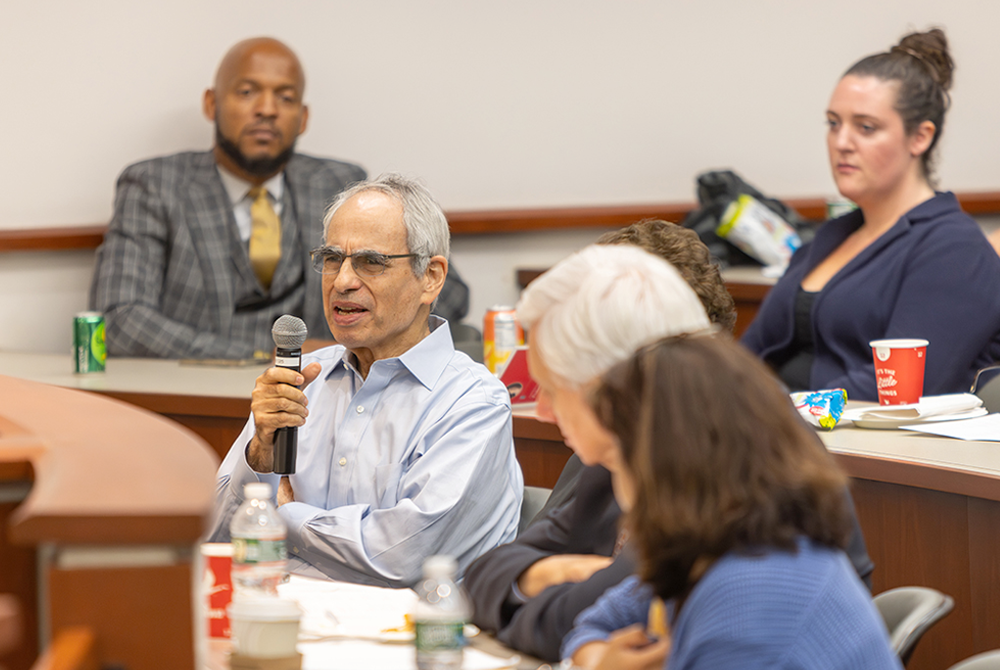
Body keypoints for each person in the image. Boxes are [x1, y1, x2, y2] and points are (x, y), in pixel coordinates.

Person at [463, 226, 873, 663]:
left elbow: (572, 621)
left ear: (610, 386)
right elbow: (598, 617)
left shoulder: (738, 541)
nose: (542, 411)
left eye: (554, 388)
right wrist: (586, 632)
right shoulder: (639, 450)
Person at [207, 174, 521, 588]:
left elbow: (403, 558)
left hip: (403, 642)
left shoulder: (472, 403)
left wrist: (287, 517)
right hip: (276, 614)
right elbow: (213, 537)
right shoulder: (304, 380)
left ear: (430, 277)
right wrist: (258, 458)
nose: (342, 281)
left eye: (371, 262)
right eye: (332, 258)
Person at [90, 37, 469, 359]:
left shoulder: (338, 183)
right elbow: (120, 320)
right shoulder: (154, 185)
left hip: (324, 397)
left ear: (302, 118)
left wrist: (360, 344)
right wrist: (266, 357)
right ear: (211, 103)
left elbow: (445, 291)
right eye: (247, 92)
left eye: (285, 98)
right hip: (201, 397)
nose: (267, 110)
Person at [562, 336, 900, 670]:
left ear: (658, 468)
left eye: (614, 457)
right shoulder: (723, 550)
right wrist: (596, 658)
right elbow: (595, 624)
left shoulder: (748, 604)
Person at [742, 28, 1000, 401]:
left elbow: (897, 389)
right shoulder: (834, 236)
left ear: (920, 138)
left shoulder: (955, 249)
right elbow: (748, 353)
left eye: (866, 127)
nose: (842, 142)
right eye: (834, 123)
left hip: (853, 445)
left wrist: (780, 415)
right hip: (787, 432)